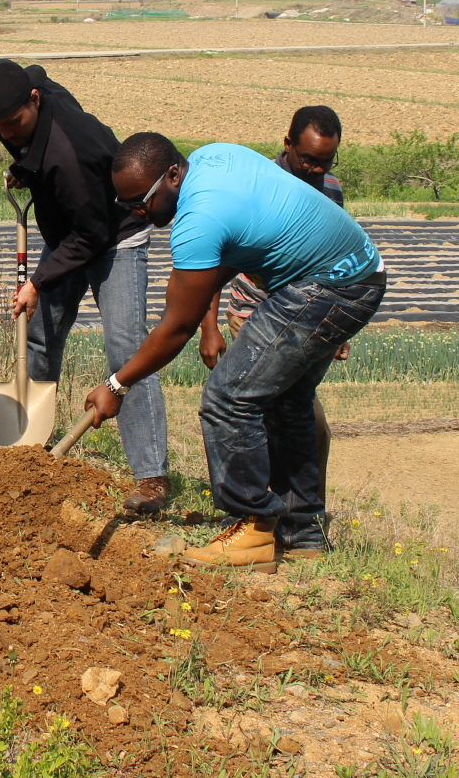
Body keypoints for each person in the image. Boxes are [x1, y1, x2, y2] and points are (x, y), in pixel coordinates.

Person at [80, 135, 386, 571]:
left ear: (172, 175)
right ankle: (302, 534)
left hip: (330, 284)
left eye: (141, 201)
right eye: (125, 204)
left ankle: (254, 527)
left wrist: (117, 384)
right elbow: (224, 258)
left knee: (229, 398)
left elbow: (176, 328)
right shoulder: (210, 158)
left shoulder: (198, 219)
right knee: (289, 401)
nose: (136, 212)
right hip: (358, 272)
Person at [0, 58, 170, 512]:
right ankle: (26, 455)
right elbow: (36, 71)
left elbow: (93, 235)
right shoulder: (33, 95)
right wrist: (25, 165)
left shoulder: (70, 153)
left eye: (14, 123)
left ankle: (152, 477)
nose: (7, 134)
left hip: (114, 236)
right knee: (39, 336)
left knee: (126, 351)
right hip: (71, 234)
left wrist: (38, 281)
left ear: (34, 101)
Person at [206, 105, 347, 493]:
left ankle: (294, 509)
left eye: (326, 161)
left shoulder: (330, 189)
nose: (317, 170)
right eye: (308, 160)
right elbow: (215, 256)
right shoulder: (257, 187)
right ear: (287, 144)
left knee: (294, 409)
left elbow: (335, 256)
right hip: (256, 311)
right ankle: (267, 507)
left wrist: (339, 326)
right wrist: (209, 326)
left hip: (310, 314)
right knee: (273, 407)